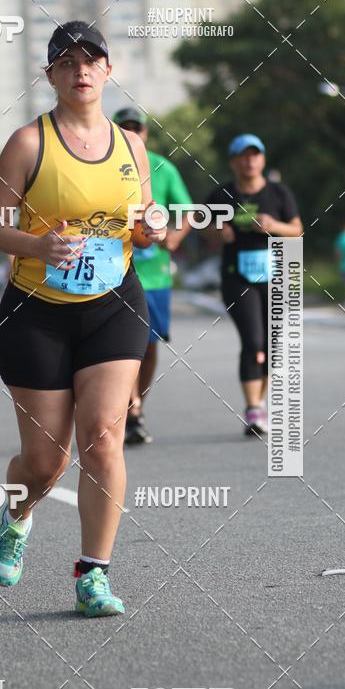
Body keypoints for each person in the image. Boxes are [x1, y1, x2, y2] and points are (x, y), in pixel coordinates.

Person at [0, 20, 165, 617]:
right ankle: (17, 514)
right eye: (67, 62)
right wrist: (35, 247)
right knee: (45, 461)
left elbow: (141, 223)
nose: (81, 71)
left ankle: (93, 573)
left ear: (109, 71)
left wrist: (150, 229)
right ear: (51, 74)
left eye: (92, 61)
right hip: (37, 313)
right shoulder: (28, 143)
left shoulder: (132, 146)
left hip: (114, 303)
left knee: (104, 436)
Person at [206, 135, 303, 436]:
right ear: (233, 161)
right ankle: (253, 410)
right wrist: (217, 231)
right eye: (243, 156)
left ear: (262, 159)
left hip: (274, 276)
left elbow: (297, 231)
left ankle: (259, 403)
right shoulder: (221, 195)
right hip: (238, 277)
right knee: (253, 341)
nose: (250, 160)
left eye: (255, 155)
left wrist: (274, 226)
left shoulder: (278, 193)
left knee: (272, 346)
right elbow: (201, 227)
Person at [113, 107, 193, 445]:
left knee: (148, 346)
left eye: (138, 129)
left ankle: (138, 404)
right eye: (125, 128)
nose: (133, 134)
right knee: (121, 346)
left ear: (146, 133)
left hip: (156, 276)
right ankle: (129, 410)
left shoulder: (163, 167)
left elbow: (188, 210)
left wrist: (174, 237)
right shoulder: (105, 164)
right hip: (116, 273)